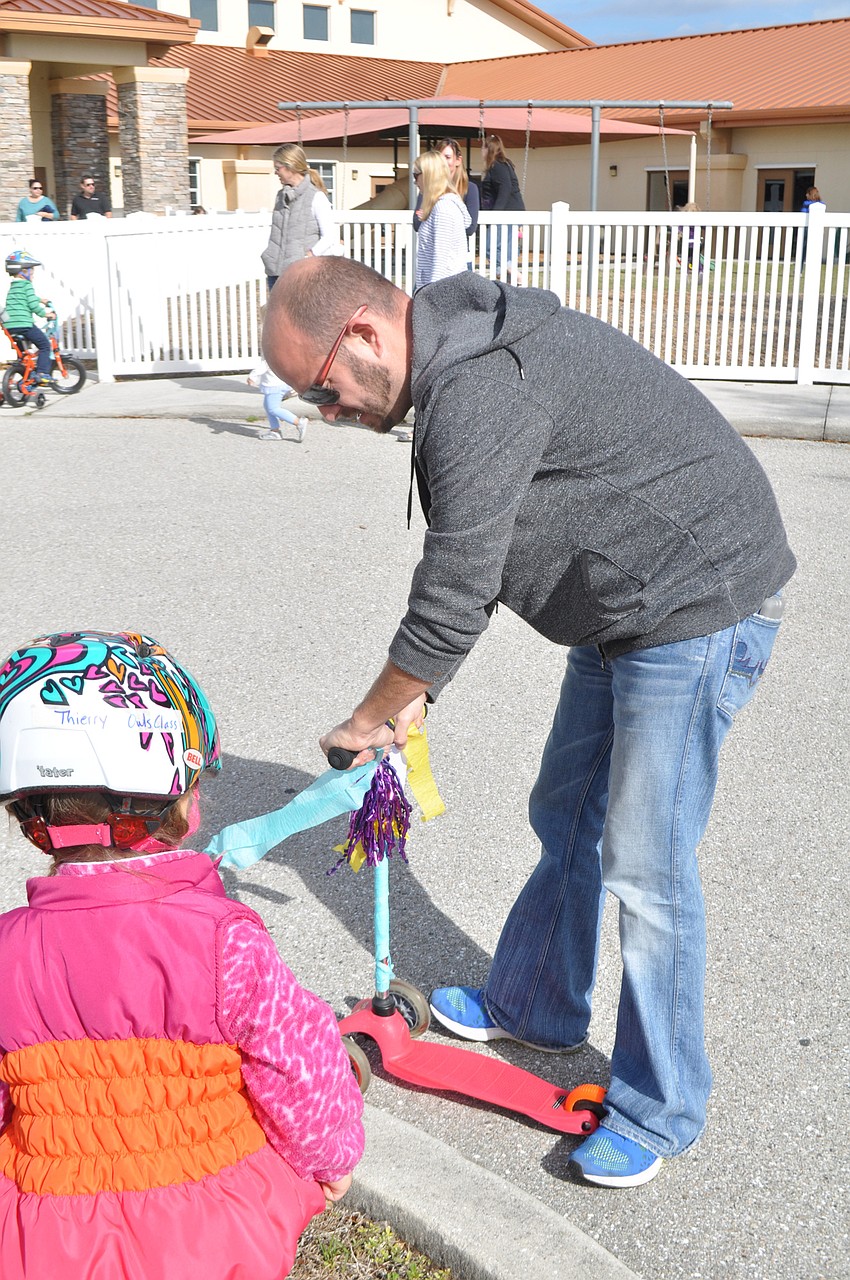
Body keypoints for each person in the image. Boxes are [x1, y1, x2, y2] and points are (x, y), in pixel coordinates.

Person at [262, 256, 796, 1189]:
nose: (327, 413)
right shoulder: (455, 363)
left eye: (322, 389)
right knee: (566, 811)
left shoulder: (476, 385)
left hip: (696, 602)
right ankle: (539, 1005)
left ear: (364, 333)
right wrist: (419, 692)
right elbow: (473, 569)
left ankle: (661, 1107)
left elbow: (456, 590)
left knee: (646, 865)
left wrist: (370, 716)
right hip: (624, 606)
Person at [0, 629, 364, 1278]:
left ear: (30, 818)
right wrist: (331, 1159)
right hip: (212, 1229)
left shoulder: (7, 952)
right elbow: (300, 1064)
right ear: (184, 803)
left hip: (48, 1239)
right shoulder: (224, 940)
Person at [261, 143, 337, 293]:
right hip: (275, 273)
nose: (275, 172)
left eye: (278, 168)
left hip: (302, 275)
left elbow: (330, 236)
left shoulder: (316, 197)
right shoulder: (281, 196)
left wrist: (307, 257)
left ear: (290, 166)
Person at [414, 138, 479, 270]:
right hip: (430, 262)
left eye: (447, 157)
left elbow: (471, 227)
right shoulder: (426, 190)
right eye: (439, 157)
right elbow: (417, 223)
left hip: (456, 261)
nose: (443, 161)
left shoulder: (468, 189)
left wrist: (442, 223)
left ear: (458, 160)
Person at [412, 151, 472, 291]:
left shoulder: (443, 209)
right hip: (439, 290)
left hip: (444, 293)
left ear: (428, 175)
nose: (414, 181)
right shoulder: (438, 206)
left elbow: (441, 262)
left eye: (416, 175)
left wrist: (430, 299)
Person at [3, 250, 56, 387]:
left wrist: (40, 299)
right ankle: (42, 373)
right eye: (31, 271)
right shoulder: (27, 285)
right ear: (23, 272)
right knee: (45, 345)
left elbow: (23, 299)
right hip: (25, 325)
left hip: (11, 327)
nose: (33, 274)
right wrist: (46, 314)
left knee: (23, 355)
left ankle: (25, 377)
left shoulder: (14, 287)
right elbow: (32, 305)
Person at [479, 134, 525, 277]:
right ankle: (505, 276)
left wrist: (495, 215)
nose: (481, 151)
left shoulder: (497, 166)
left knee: (490, 247)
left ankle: (511, 272)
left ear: (488, 148)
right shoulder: (503, 165)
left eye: (483, 147)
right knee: (505, 249)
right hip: (511, 212)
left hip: (506, 213)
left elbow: (505, 188)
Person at [248, 354, 308, 442]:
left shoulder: (271, 355)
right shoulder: (282, 354)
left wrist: (252, 377)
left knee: (273, 409)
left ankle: (298, 422)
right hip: (278, 384)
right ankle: (274, 431)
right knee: (268, 407)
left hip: (274, 386)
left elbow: (264, 366)